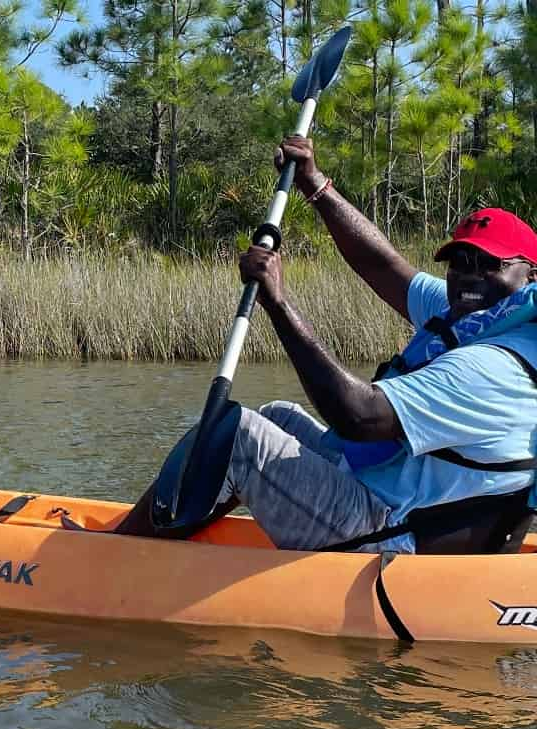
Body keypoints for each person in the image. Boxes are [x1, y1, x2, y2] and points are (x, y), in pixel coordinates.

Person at [102, 137, 537, 554]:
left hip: (390, 530)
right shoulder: (475, 316)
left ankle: (122, 555)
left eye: (489, 263)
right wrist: (316, 184)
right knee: (278, 416)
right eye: (459, 261)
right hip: (384, 492)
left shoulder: (491, 367)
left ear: (530, 276)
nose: (468, 274)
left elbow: (359, 415)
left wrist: (279, 303)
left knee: (239, 436)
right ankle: (180, 537)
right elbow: (383, 264)